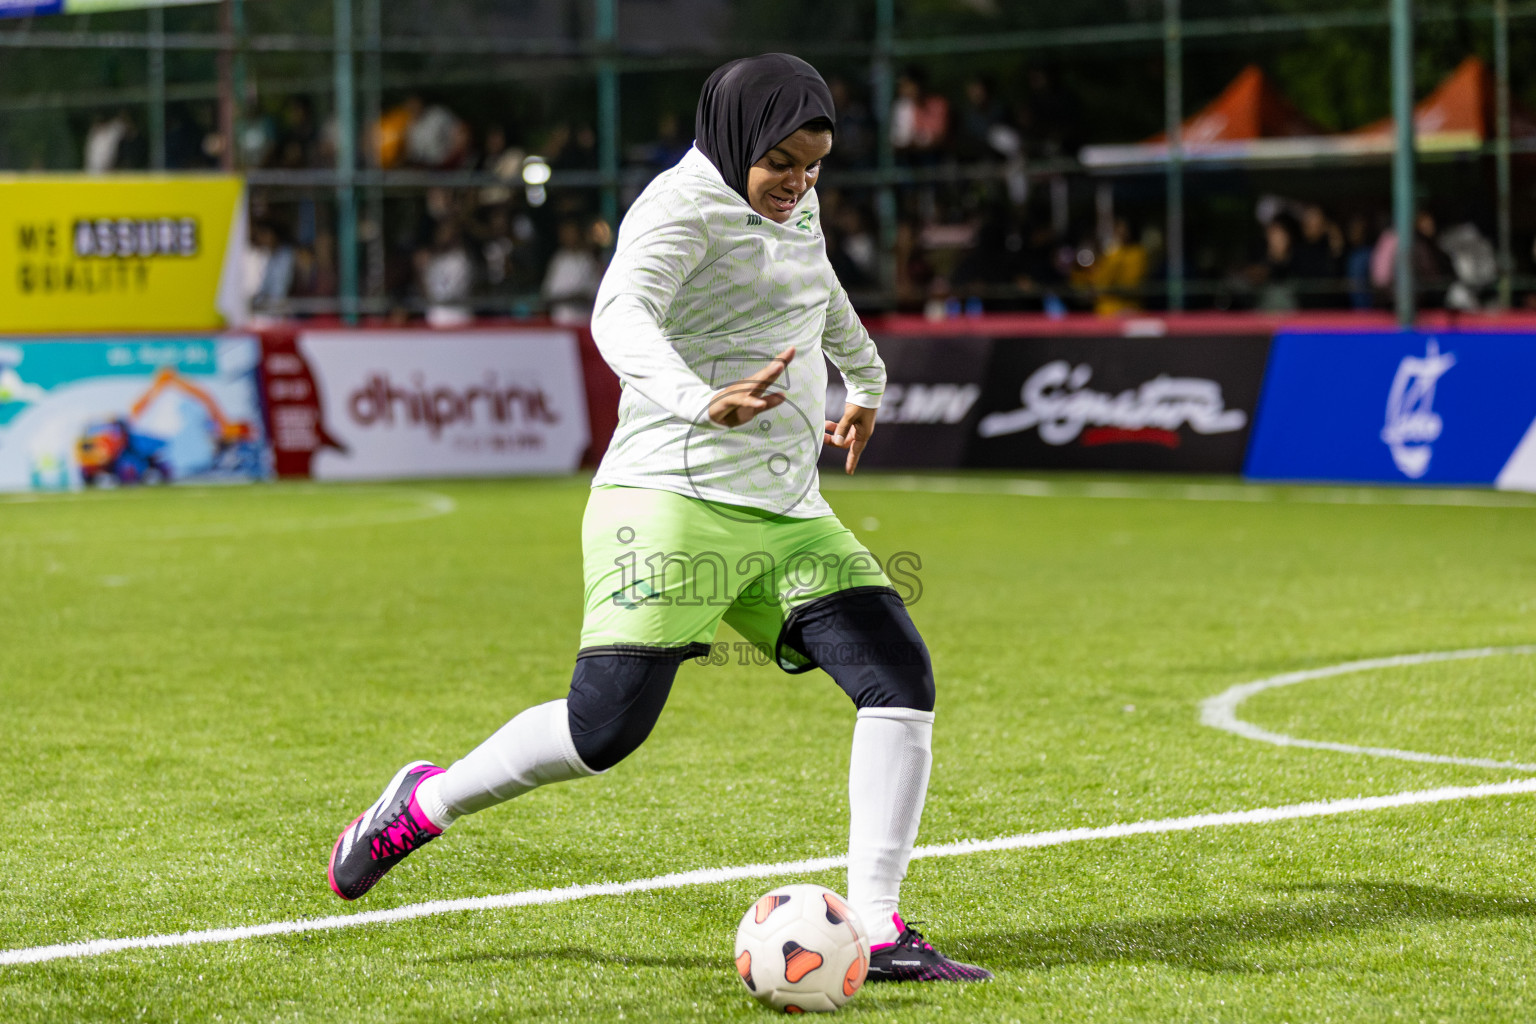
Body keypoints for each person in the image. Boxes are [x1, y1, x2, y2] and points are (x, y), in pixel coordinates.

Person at [327, 52, 992, 985]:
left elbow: (821, 291)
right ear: (734, 138)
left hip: (786, 509)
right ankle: (424, 803)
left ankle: (877, 929)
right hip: (668, 502)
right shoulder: (677, 207)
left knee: (897, 675)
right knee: (603, 733)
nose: (798, 185)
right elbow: (618, 313)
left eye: (813, 166)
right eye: (782, 164)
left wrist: (868, 379)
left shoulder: (791, 205)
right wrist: (696, 397)